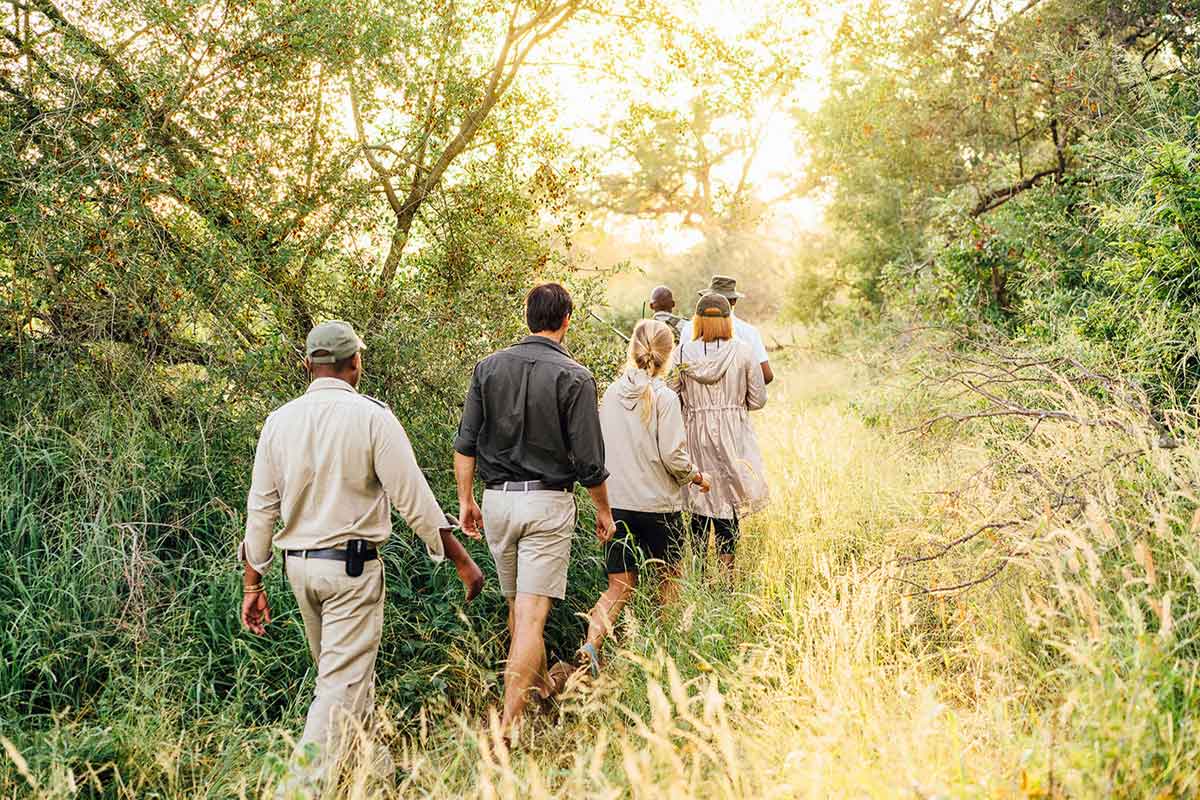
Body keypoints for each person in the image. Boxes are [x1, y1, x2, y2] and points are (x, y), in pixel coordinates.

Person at [239, 320, 485, 793]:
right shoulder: (372, 417)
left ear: (308, 365)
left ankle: (375, 779)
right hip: (351, 570)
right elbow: (415, 499)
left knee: (346, 680)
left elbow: (260, 510)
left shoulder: (279, 421)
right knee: (338, 688)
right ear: (354, 363)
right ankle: (299, 788)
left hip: (299, 570)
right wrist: (461, 560)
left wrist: (253, 583)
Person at [452, 283, 615, 741]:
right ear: (567, 319)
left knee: (515, 607)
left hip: (497, 500)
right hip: (546, 502)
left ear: (528, 316)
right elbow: (589, 462)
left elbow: (465, 445)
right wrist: (604, 512)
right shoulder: (576, 377)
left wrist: (466, 501)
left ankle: (540, 686)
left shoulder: (487, 368)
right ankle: (509, 722)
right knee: (530, 616)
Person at [578, 319, 710, 676]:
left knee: (618, 585)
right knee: (670, 578)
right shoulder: (665, 398)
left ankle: (592, 643)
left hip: (617, 504)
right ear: (668, 355)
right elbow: (673, 456)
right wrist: (697, 477)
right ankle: (663, 651)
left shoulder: (608, 394)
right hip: (658, 506)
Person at [673, 293, 769, 572]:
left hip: (695, 434)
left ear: (698, 321)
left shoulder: (682, 353)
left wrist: (692, 407)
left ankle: (700, 573)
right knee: (728, 503)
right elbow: (759, 399)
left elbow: (670, 392)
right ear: (728, 320)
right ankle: (727, 577)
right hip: (732, 434)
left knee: (699, 501)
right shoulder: (743, 351)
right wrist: (735, 406)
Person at [679, 275, 775, 385]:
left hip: (694, 400)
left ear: (706, 298)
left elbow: (681, 372)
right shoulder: (749, 332)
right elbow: (766, 376)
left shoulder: (688, 328)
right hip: (736, 400)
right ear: (734, 301)